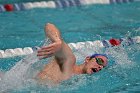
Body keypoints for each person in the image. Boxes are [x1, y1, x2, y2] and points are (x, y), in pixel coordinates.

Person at [37, 23, 108, 84]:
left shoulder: (76, 80)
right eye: (100, 61)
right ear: (88, 59)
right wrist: (57, 40)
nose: (100, 67)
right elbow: (49, 26)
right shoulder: (69, 61)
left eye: (103, 67)